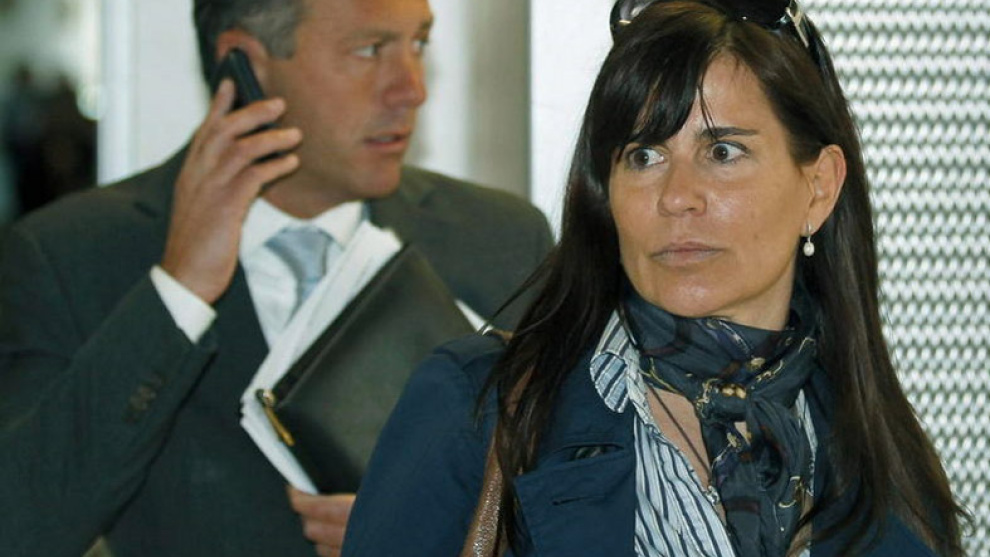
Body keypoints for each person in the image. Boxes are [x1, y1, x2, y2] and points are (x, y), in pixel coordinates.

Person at [341, 1, 969, 556]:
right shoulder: (477, 408)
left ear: (820, 187)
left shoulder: (881, 451)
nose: (676, 196)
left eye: (722, 151)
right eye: (644, 156)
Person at [0, 0, 552, 555]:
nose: (412, 89)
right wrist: (180, 291)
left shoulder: (500, 239)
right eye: (369, 50)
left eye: (419, 44)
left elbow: (587, 504)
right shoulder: (68, 255)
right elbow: (21, 529)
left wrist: (467, 528)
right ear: (245, 63)